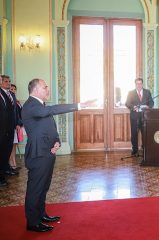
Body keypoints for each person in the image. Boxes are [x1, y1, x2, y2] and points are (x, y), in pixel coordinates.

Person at [22, 78, 95, 232]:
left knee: (44, 187)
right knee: (35, 188)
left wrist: (56, 141)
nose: (47, 89)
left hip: (48, 151)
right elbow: (51, 111)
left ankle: (41, 214)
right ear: (35, 90)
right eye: (45, 87)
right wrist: (79, 105)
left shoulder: (41, 105)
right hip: (38, 154)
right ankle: (32, 222)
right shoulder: (30, 105)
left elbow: (50, 125)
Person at [125, 78, 154, 156]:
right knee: (134, 133)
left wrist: (149, 107)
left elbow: (151, 102)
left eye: (140, 83)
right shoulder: (131, 93)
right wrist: (133, 107)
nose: (139, 85)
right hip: (134, 116)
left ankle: (145, 148)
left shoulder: (147, 92)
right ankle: (134, 150)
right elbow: (127, 103)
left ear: (142, 84)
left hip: (145, 116)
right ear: (135, 84)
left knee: (145, 133)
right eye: (137, 84)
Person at [0, 75, 20, 187]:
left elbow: (15, 112)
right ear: (1, 82)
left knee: (7, 151)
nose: (8, 83)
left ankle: (6, 169)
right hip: (2, 129)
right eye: (6, 81)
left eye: (9, 81)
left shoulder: (11, 94)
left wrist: (17, 123)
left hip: (11, 128)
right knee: (2, 152)